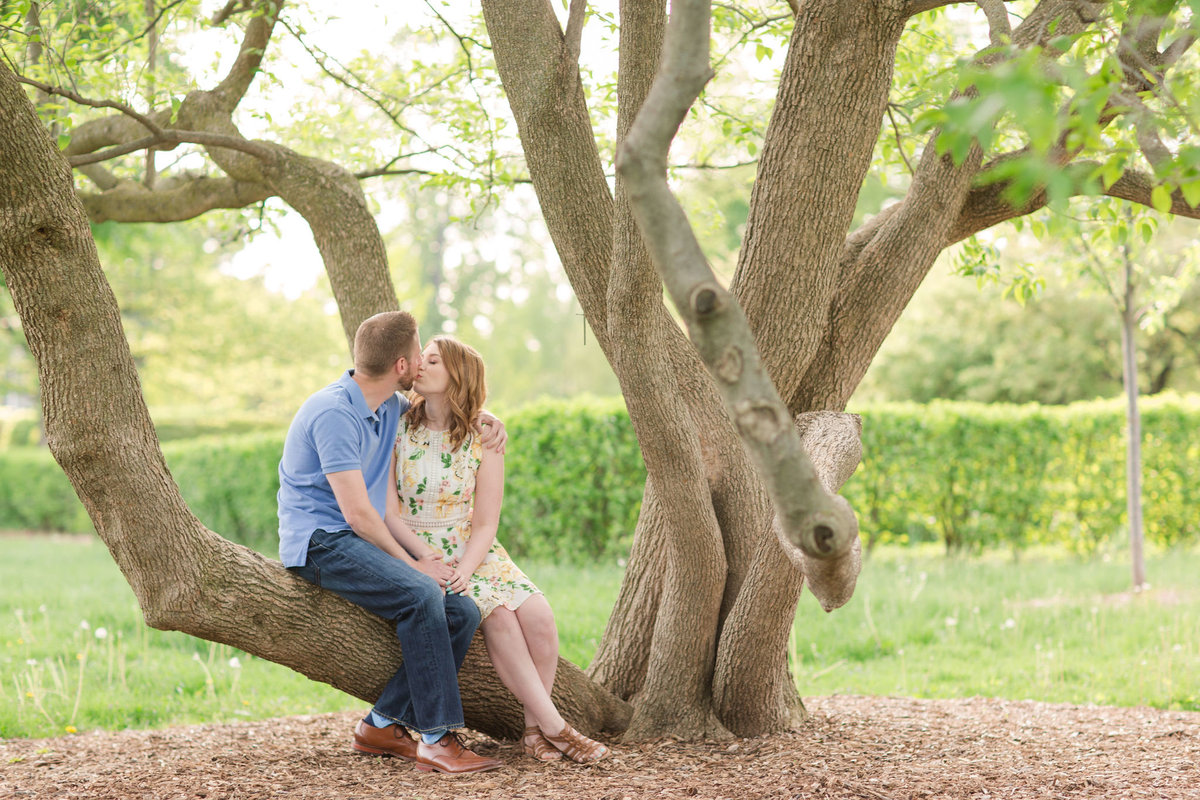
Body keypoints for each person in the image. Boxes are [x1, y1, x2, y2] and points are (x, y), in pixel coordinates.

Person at [277, 311, 506, 775]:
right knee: (423, 592)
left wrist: (486, 416)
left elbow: (448, 408)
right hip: (320, 541)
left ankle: (381, 724)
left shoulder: (388, 405)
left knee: (460, 610)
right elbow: (359, 514)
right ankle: (439, 739)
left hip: (354, 537)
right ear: (402, 366)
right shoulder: (334, 412)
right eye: (419, 354)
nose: (423, 362)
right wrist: (412, 564)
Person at [397, 334, 610, 764]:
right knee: (502, 620)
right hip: (420, 548)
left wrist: (468, 567)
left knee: (540, 617)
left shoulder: (483, 436)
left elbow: (486, 521)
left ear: (457, 374)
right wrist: (438, 565)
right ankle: (557, 729)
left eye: (433, 361)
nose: (420, 365)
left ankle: (534, 731)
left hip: (473, 548)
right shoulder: (398, 421)